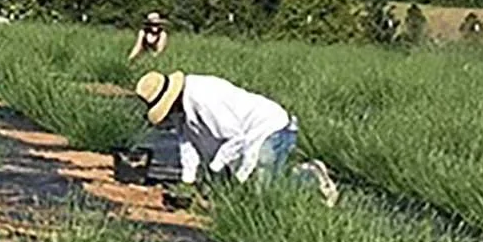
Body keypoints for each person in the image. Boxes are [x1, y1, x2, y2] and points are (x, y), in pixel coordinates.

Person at [133, 69, 338, 206]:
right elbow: (187, 143)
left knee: (265, 193)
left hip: (269, 127)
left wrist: (215, 168)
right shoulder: (182, 110)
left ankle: (311, 177)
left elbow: (235, 137)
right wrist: (188, 180)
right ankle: (295, 174)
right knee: (249, 189)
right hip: (247, 137)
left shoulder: (204, 99)